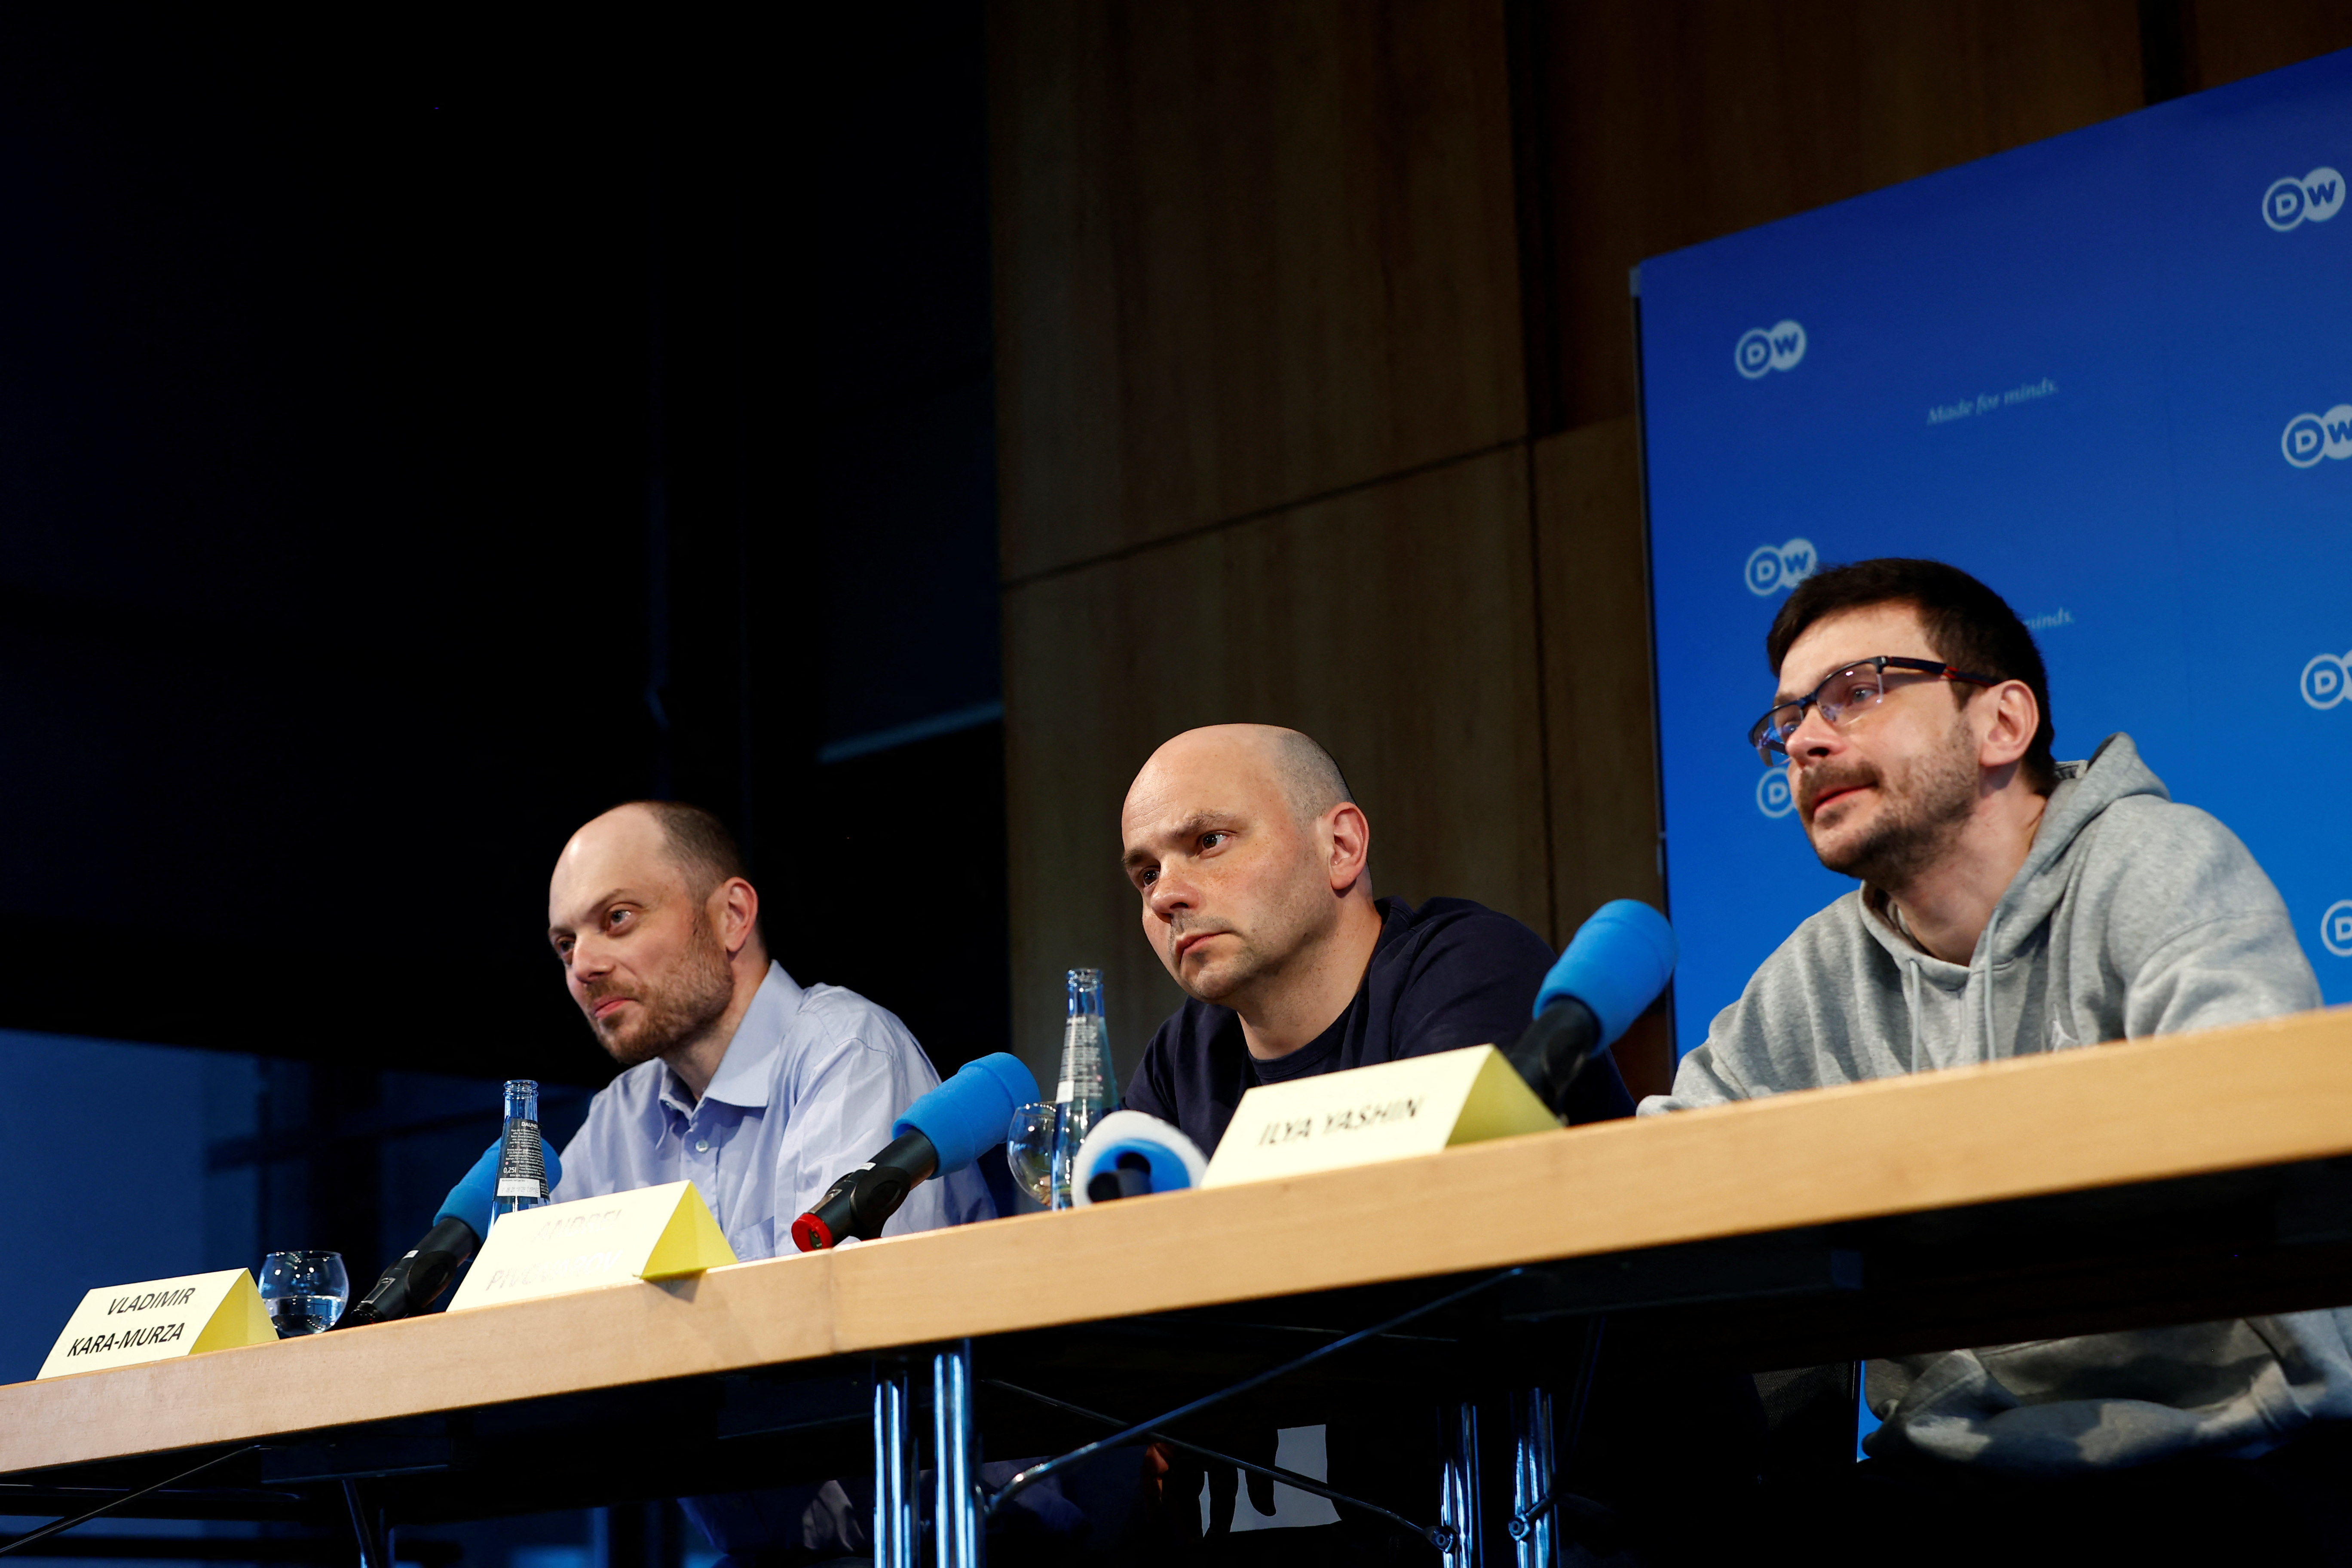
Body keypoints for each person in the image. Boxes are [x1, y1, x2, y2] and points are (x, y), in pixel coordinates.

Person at [1651, 558, 2345, 1559]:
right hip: (1950, 1474)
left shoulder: (2157, 862)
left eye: (1854, 693)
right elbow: (1671, 1174)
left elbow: (2235, 1114)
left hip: (2222, 1448)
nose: (1802, 740)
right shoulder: (1812, 972)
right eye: (1787, 720)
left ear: (1999, 725)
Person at [543, 800, 995, 1561]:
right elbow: (540, 1327)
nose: (583, 965)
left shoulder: (844, 1049)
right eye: (564, 943)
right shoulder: (619, 1115)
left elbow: (835, 1330)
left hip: (933, 1540)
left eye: (616, 919)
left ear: (731, 915)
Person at [1119, 723, 1634, 1158]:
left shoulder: (1471, 968)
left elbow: (1425, 1233)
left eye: (1209, 842)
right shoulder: (1180, 1057)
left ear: (1341, 847)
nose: (1165, 896)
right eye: (1146, 875)